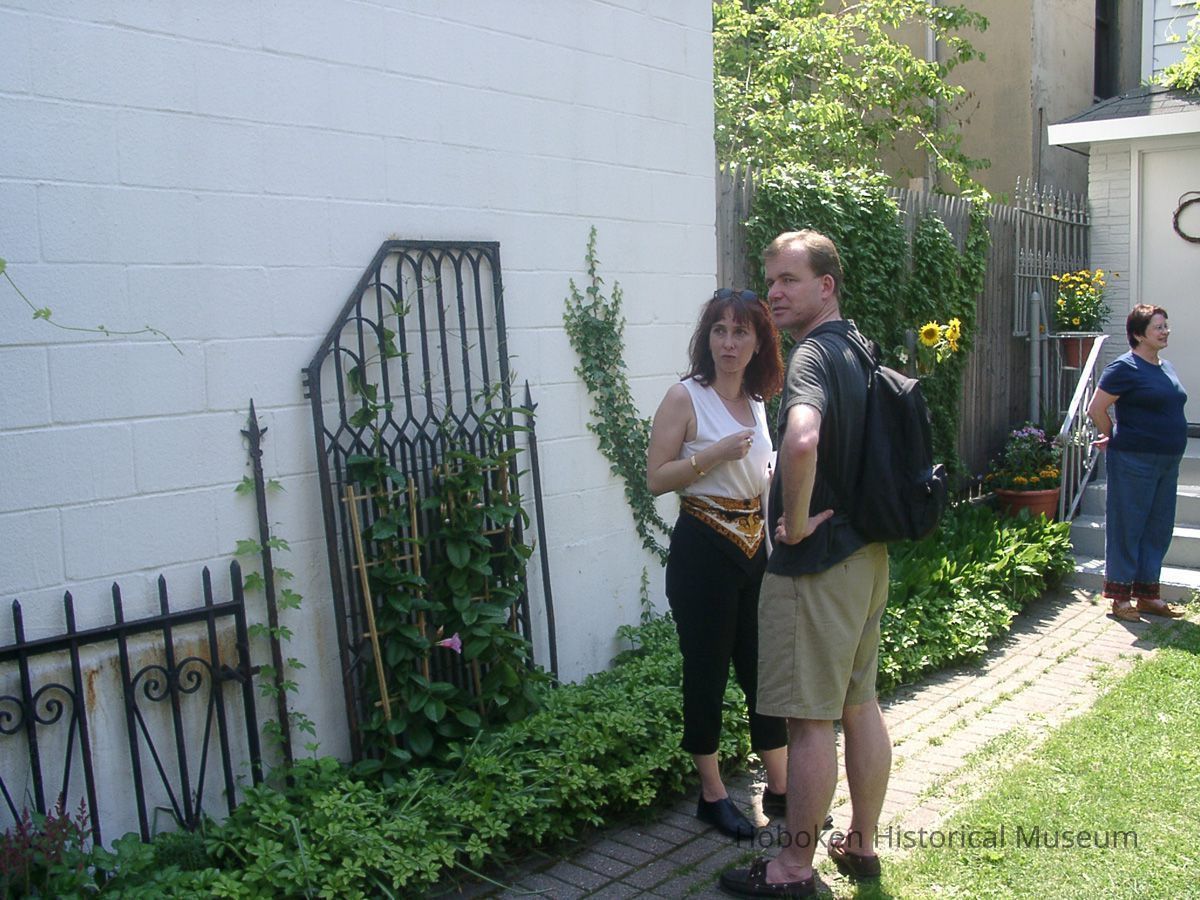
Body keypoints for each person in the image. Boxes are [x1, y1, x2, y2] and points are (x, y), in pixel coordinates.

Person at [720, 230, 891, 898]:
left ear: (827, 286)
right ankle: (863, 843)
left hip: (819, 563)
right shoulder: (860, 348)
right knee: (859, 703)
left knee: (809, 719)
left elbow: (803, 439)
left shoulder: (815, 356)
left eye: (789, 279)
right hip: (866, 556)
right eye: (771, 279)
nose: (774, 292)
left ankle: (792, 869)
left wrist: (789, 524)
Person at [647, 288, 789, 840]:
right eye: (720, 331)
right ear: (707, 339)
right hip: (703, 551)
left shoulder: (756, 400)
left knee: (763, 670)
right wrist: (709, 456)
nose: (729, 343)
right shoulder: (685, 398)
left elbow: (760, 475)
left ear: (758, 343)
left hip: (755, 553)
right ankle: (711, 795)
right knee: (705, 674)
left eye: (741, 332)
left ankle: (778, 788)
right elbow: (656, 477)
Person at [1087, 304, 1187, 622]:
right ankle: (1120, 598)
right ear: (1138, 334)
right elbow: (1096, 409)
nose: (1165, 331)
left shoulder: (1164, 367)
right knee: (1127, 528)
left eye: (1165, 325)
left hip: (1167, 462)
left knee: (1158, 528)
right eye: (1158, 327)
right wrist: (1114, 436)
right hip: (1134, 461)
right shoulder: (1124, 368)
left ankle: (1147, 595)